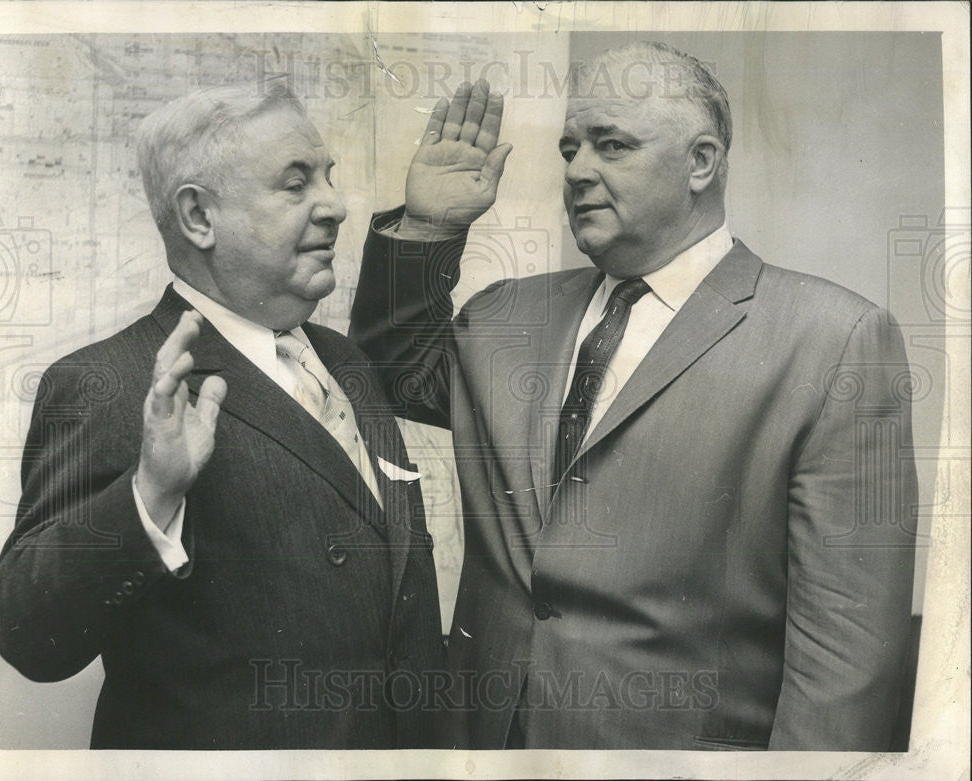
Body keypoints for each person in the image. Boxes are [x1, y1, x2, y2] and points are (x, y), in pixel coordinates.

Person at [350, 42, 918, 750]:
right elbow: (385, 372)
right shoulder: (503, 316)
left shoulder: (834, 338)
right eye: (570, 149)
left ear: (702, 162)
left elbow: (848, 653)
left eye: (612, 145)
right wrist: (429, 226)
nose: (579, 170)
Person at [0, 81, 443, 749]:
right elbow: (31, 636)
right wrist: (148, 497)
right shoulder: (109, 382)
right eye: (296, 184)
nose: (337, 206)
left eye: (327, 176)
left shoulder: (348, 363)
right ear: (199, 218)